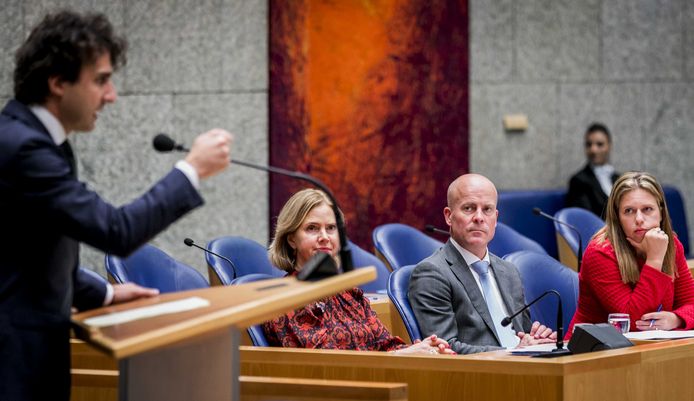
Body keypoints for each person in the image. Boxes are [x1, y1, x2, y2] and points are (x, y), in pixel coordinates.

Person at [0, 10, 233, 401]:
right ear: (57, 82)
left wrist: (104, 295)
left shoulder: (40, 140)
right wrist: (191, 170)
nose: (111, 96)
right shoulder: (24, 148)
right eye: (101, 81)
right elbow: (115, 231)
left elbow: (32, 252)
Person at [262, 189, 455, 355]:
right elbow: (329, 365)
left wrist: (422, 349)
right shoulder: (284, 302)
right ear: (291, 239)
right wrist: (400, 356)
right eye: (312, 228)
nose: (324, 237)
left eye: (331, 228)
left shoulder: (349, 293)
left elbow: (384, 345)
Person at [409, 174, 556, 354]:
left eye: (487, 209)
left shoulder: (509, 271)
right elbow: (444, 349)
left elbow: (522, 334)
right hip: (478, 377)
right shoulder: (432, 273)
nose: (479, 217)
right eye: (469, 208)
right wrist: (513, 352)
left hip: (524, 370)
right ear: (449, 216)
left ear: (495, 218)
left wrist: (536, 339)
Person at [566, 172, 694, 338]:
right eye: (629, 211)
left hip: (650, 350)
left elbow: (690, 303)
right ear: (618, 217)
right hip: (592, 353)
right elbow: (631, 322)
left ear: (661, 212)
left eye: (647, 209)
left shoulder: (671, 245)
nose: (639, 219)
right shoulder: (600, 253)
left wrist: (676, 319)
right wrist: (654, 259)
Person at [566, 123, 620, 218]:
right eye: (589, 144)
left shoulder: (618, 178)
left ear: (609, 146)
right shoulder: (578, 181)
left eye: (600, 144)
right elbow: (585, 218)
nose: (593, 149)